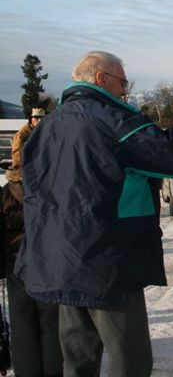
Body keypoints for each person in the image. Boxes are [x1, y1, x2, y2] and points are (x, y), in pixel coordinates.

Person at [14, 51, 173, 377]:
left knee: (77, 359)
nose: (126, 91)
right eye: (123, 82)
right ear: (102, 79)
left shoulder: (47, 127)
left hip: (60, 259)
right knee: (129, 360)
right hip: (106, 262)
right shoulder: (112, 120)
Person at [1, 107, 63, 377]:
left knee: (22, 324)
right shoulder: (57, 189)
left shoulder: (7, 192)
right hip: (50, 265)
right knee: (52, 323)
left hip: (17, 267)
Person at [5, 107, 46, 183]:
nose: (39, 120)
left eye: (42, 117)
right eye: (36, 117)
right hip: (27, 172)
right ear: (31, 119)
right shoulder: (21, 135)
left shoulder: (45, 132)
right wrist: (18, 170)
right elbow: (16, 153)